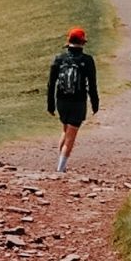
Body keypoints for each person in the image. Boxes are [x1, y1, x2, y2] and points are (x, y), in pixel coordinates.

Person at [47, 26, 99, 174]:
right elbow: (92, 85)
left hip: (61, 101)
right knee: (71, 136)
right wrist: (95, 104)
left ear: (69, 41)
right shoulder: (87, 60)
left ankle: (60, 162)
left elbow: (51, 84)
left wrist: (51, 106)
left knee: (66, 130)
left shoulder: (59, 59)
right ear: (83, 42)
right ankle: (60, 168)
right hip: (78, 102)